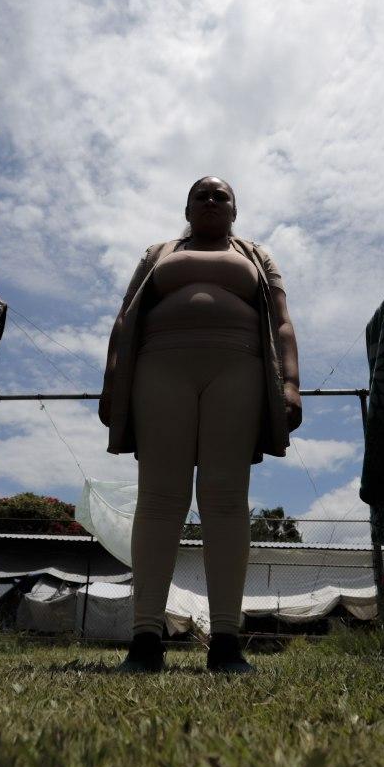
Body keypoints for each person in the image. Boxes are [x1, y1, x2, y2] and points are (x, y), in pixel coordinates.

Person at [98, 176, 302, 673]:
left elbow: (281, 320)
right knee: (159, 496)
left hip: (239, 368)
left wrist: (291, 382)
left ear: (234, 211)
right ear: (187, 209)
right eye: (201, 196)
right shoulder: (159, 253)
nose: (211, 201)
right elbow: (126, 317)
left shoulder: (256, 255)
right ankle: (146, 639)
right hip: (159, 368)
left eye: (221, 196)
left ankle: (226, 642)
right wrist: (112, 380)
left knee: (226, 497)